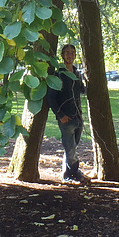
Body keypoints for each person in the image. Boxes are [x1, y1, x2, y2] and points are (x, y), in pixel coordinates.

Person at [47, 44, 89, 184]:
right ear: (63, 56)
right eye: (67, 53)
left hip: (78, 117)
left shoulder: (77, 74)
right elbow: (51, 98)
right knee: (70, 148)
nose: (70, 55)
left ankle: (67, 175)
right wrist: (60, 115)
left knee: (71, 148)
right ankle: (75, 173)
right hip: (65, 118)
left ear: (75, 55)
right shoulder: (58, 75)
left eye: (72, 53)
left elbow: (81, 90)